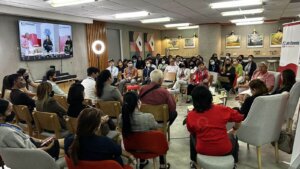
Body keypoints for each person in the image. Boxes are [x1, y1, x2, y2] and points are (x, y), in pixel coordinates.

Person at [187, 86, 243, 169]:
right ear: (210, 97)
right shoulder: (222, 109)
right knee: (234, 136)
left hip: (203, 150)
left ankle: (194, 162)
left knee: (192, 136)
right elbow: (239, 118)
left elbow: (192, 131)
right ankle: (234, 162)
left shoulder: (191, 115)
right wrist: (234, 129)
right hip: (224, 149)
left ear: (194, 100)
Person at [119, 92, 169, 169]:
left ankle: (142, 161)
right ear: (138, 102)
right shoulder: (148, 117)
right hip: (150, 148)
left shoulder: (121, 118)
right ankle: (162, 165)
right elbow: (157, 130)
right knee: (158, 137)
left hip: (131, 148)